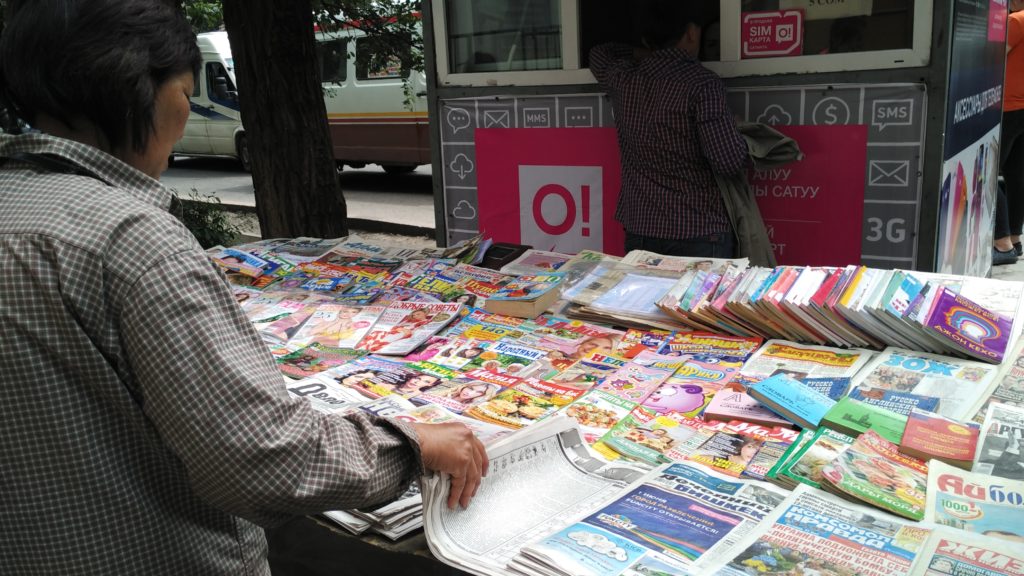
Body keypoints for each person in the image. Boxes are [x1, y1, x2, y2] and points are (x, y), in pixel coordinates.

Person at [0, 1, 487, 574]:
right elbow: (258, 458)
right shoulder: (130, 238)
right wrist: (410, 445)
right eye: (185, 91)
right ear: (141, 90)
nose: (185, 110)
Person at [591, 0, 748, 258]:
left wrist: (644, 52)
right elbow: (728, 161)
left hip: (641, 231)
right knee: (699, 301)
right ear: (692, 32)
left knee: (642, 300)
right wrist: (737, 131)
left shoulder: (623, 79)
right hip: (698, 231)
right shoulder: (702, 84)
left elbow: (599, 53)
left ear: (645, 38)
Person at [1003, 0, 1024, 257]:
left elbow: (992, 60)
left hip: (1007, 107)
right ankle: (1015, 237)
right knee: (1017, 175)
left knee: (986, 175)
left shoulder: (1016, 21)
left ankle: (1002, 240)